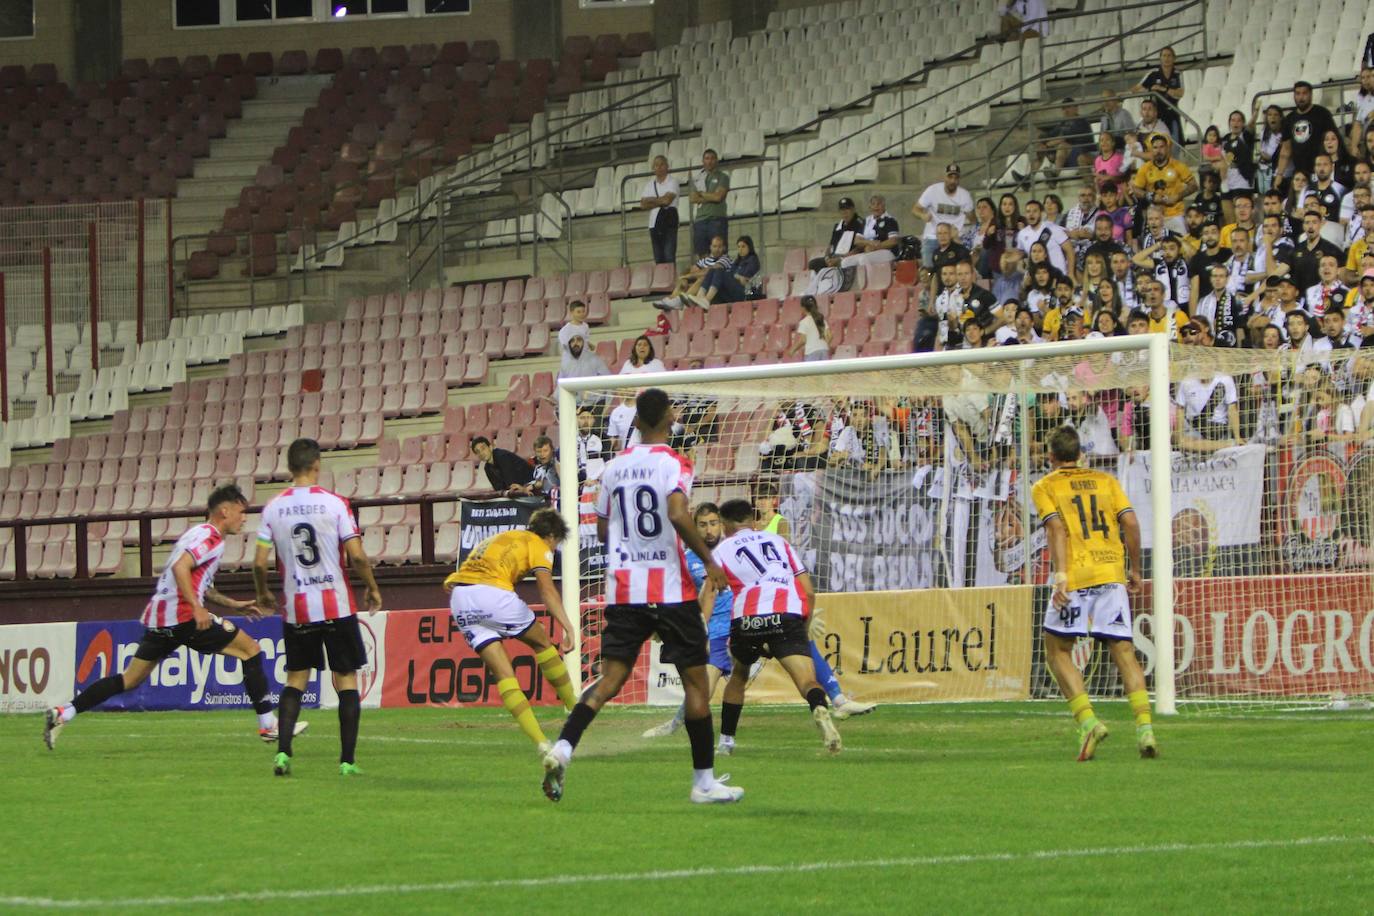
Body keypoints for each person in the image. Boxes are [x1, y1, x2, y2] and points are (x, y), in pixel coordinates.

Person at [540, 388, 741, 805]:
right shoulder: (676, 463)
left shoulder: (612, 469)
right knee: (696, 684)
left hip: (625, 589)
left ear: (636, 422)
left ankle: (563, 748)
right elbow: (676, 513)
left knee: (610, 680)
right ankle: (703, 783)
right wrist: (711, 561)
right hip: (670, 589)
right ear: (669, 417)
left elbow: (600, 530)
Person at [43, 485, 295, 750]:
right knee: (251, 651)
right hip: (183, 617)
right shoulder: (211, 539)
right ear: (225, 510)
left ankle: (64, 713)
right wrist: (197, 609)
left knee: (130, 679)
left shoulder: (196, 534)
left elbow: (201, 585)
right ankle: (268, 725)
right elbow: (179, 568)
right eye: (241, 512)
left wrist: (233, 604)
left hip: (161, 618)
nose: (244, 518)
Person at [253, 439, 382, 777]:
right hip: (335, 604)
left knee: (296, 678)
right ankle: (347, 761)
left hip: (297, 609)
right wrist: (372, 587)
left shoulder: (273, 508)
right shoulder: (336, 504)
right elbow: (356, 555)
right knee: (346, 679)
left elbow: (258, 562)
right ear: (317, 465)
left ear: (289, 467)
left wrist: (263, 592)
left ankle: (282, 754)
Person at [1030, 425, 1156, 762]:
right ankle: (1145, 730)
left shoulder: (1045, 486)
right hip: (1110, 572)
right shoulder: (1107, 481)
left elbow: (1056, 528)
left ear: (1051, 457)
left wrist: (1060, 578)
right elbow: (1130, 523)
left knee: (1057, 651)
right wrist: (1134, 568)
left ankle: (1088, 722)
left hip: (1075, 576)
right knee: (1124, 651)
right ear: (1081, 454)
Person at [711, 499, 842, 755]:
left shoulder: (722, 549)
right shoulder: (779, 542)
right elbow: (808, 591)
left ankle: (726, 742)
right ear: (752, 519)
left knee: (738, 676)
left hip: (748, 618)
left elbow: (710, 590)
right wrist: (803, 626)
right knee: (806, 681)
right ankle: (818, 707)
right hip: (786, 613)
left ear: (725, 525)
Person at [443, 508, 578, 754]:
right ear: (550, 536)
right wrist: (568, 626)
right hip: (492, 594)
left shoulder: (501, 538)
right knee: (542, 643)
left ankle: (541, 743)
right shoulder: (538, 543)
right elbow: (547, 590)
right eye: (556, 543)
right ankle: (575, 709)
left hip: (460, 598)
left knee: (503, 674)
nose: (554, 549)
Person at [755, 488, 875, 718]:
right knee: (730, 665)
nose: (761, 502)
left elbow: (782, 553)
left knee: (803, 644)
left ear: (774, 500)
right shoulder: (752, 527)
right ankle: (835, 699)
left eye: (765, 497)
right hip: (762, 598)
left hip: (775, 593)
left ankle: (836, 698)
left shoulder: (780, 523)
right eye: (759, 497)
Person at [641, 503, 734, 740]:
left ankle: (834, 697)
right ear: (695, 528)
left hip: (734, 624)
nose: (709, 530)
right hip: (713, 629)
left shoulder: (732, 550)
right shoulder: (687, 557)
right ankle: (698, 730)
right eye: (703, 525)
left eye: (713, 523)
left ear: (721, 524)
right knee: (703, 687)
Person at [1131, 133, 1196, 235]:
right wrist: (1151, 197)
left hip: (1175, 213)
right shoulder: (1145, 168)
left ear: (1167, 148)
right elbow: (1136, 189)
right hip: (1155, 216)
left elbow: (1193, 185)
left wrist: (1177, 196)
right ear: (1151, 150)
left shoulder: (1178, 166)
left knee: (1181, 244)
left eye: (1161, 147)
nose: (1158, 151)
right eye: (1155, 148)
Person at [913, 164, 974, 267]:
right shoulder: (932, 190)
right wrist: (922, 215)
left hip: (955, 238)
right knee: (929, 271)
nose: (952, 181)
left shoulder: (965, 195)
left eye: (956, 178)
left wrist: (963, 232)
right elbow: (915, 209)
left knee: (960, 269)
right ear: (944, 177)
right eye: (950, 177)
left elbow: (972, 219)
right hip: (933, 236)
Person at [1276, 81, 1339, 181]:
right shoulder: (1289, 119)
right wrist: (1279, 175)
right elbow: (1286, 150)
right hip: (1300, 173)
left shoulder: (1322, 114)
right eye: (1297, 93)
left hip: (1321, 170)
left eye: (1304, 93)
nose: (1301, 97)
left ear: (1311, 94)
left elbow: (1334, 140)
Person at [655, 234, 733, 311]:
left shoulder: (725, 259)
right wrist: (685, 277)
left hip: (717, 291)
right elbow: (692, 270)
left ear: (724, 248)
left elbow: (708, 272)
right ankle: (672, 299)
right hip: (702, 288)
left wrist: (689, 276)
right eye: (714, 246)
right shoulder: (706, 260)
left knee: (702, 278)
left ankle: (681, 300)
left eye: (719, 247)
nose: (717, 249)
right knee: (683, 280)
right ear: (710, 247)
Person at [1134, 46, 1184, 142]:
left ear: (1174, 58)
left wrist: (1162, 88)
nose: (1166, 58)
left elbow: (1180, 93)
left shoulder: (1177, 74)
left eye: (1169, 55)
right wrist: (1150, 89)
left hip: (1172, 113)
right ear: (1160, 58)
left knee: (1175, 143)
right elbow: (1136, 89)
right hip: (1156, 115)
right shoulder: (1153, 73)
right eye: (1164, 55)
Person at [695, 235, 761, 307]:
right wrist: (736, 276)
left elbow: (745, 279)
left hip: (744, 292)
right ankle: (700, 297)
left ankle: (707, 299)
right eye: (738, 247)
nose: (740, 249)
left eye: (743, 246)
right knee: (712, 271)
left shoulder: (752, 260)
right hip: (733, 290)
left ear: (749, 247)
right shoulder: (737, 261)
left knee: (719, 271)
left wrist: (737, 276)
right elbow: (732, 274)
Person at [1015, 198, 1074, 277]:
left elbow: (1070, 251)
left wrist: (1071, 274)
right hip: (1038, 280)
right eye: (1028, 212)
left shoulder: (1053, 229)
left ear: (1041, 213)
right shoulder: (1022, 234)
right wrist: (1025, 271)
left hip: (1058, 277)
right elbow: (1020, 256)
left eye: (1035, 211)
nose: (1031, 214)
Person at [639, 154, 680, 265]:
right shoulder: (649, 185)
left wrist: (651, 200)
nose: (659, 167)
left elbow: (667, 201)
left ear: (667, 166)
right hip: (654, 224)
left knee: (669, 255)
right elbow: (643, 204)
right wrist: (660, 200)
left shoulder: (673, 182)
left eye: (662, 165)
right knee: (658, 257)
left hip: (669, 222)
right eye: (656, 165)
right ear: (653, 168)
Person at [689, 148, 729, 257]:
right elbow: (693, 198)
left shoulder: (723, 177)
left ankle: (719, 273)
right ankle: (706, 274)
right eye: (707, 158)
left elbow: (718, 197)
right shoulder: (697, 179)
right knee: (702, 254)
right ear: (703, 161)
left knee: (719, 253)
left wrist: (701, 193)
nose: (709, 161)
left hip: (716, 219)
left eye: (712, 158)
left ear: (716, 160)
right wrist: (710, 195)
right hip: (700, 220)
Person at [841, 194, 900, 270]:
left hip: (886, 252)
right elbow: (857, 241)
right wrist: (869, 243)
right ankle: (854, 281)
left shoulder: (890, 220)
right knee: (846, 262)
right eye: (873, 204)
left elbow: (894, 240)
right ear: (870, 207)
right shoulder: (866, 221)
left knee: (864, 259)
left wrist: (876, 247)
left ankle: (870, 281)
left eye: (879, 204)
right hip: (868, 251)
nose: (876, 207)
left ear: (884, 206)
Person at [790, 294, 832, 361]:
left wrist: (793, 350)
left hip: (812, 352)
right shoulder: (821, 319)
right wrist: (823, 345)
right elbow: (830, 336)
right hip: (824, 350)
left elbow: (803, 340)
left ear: (803, 308)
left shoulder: (803, 322)